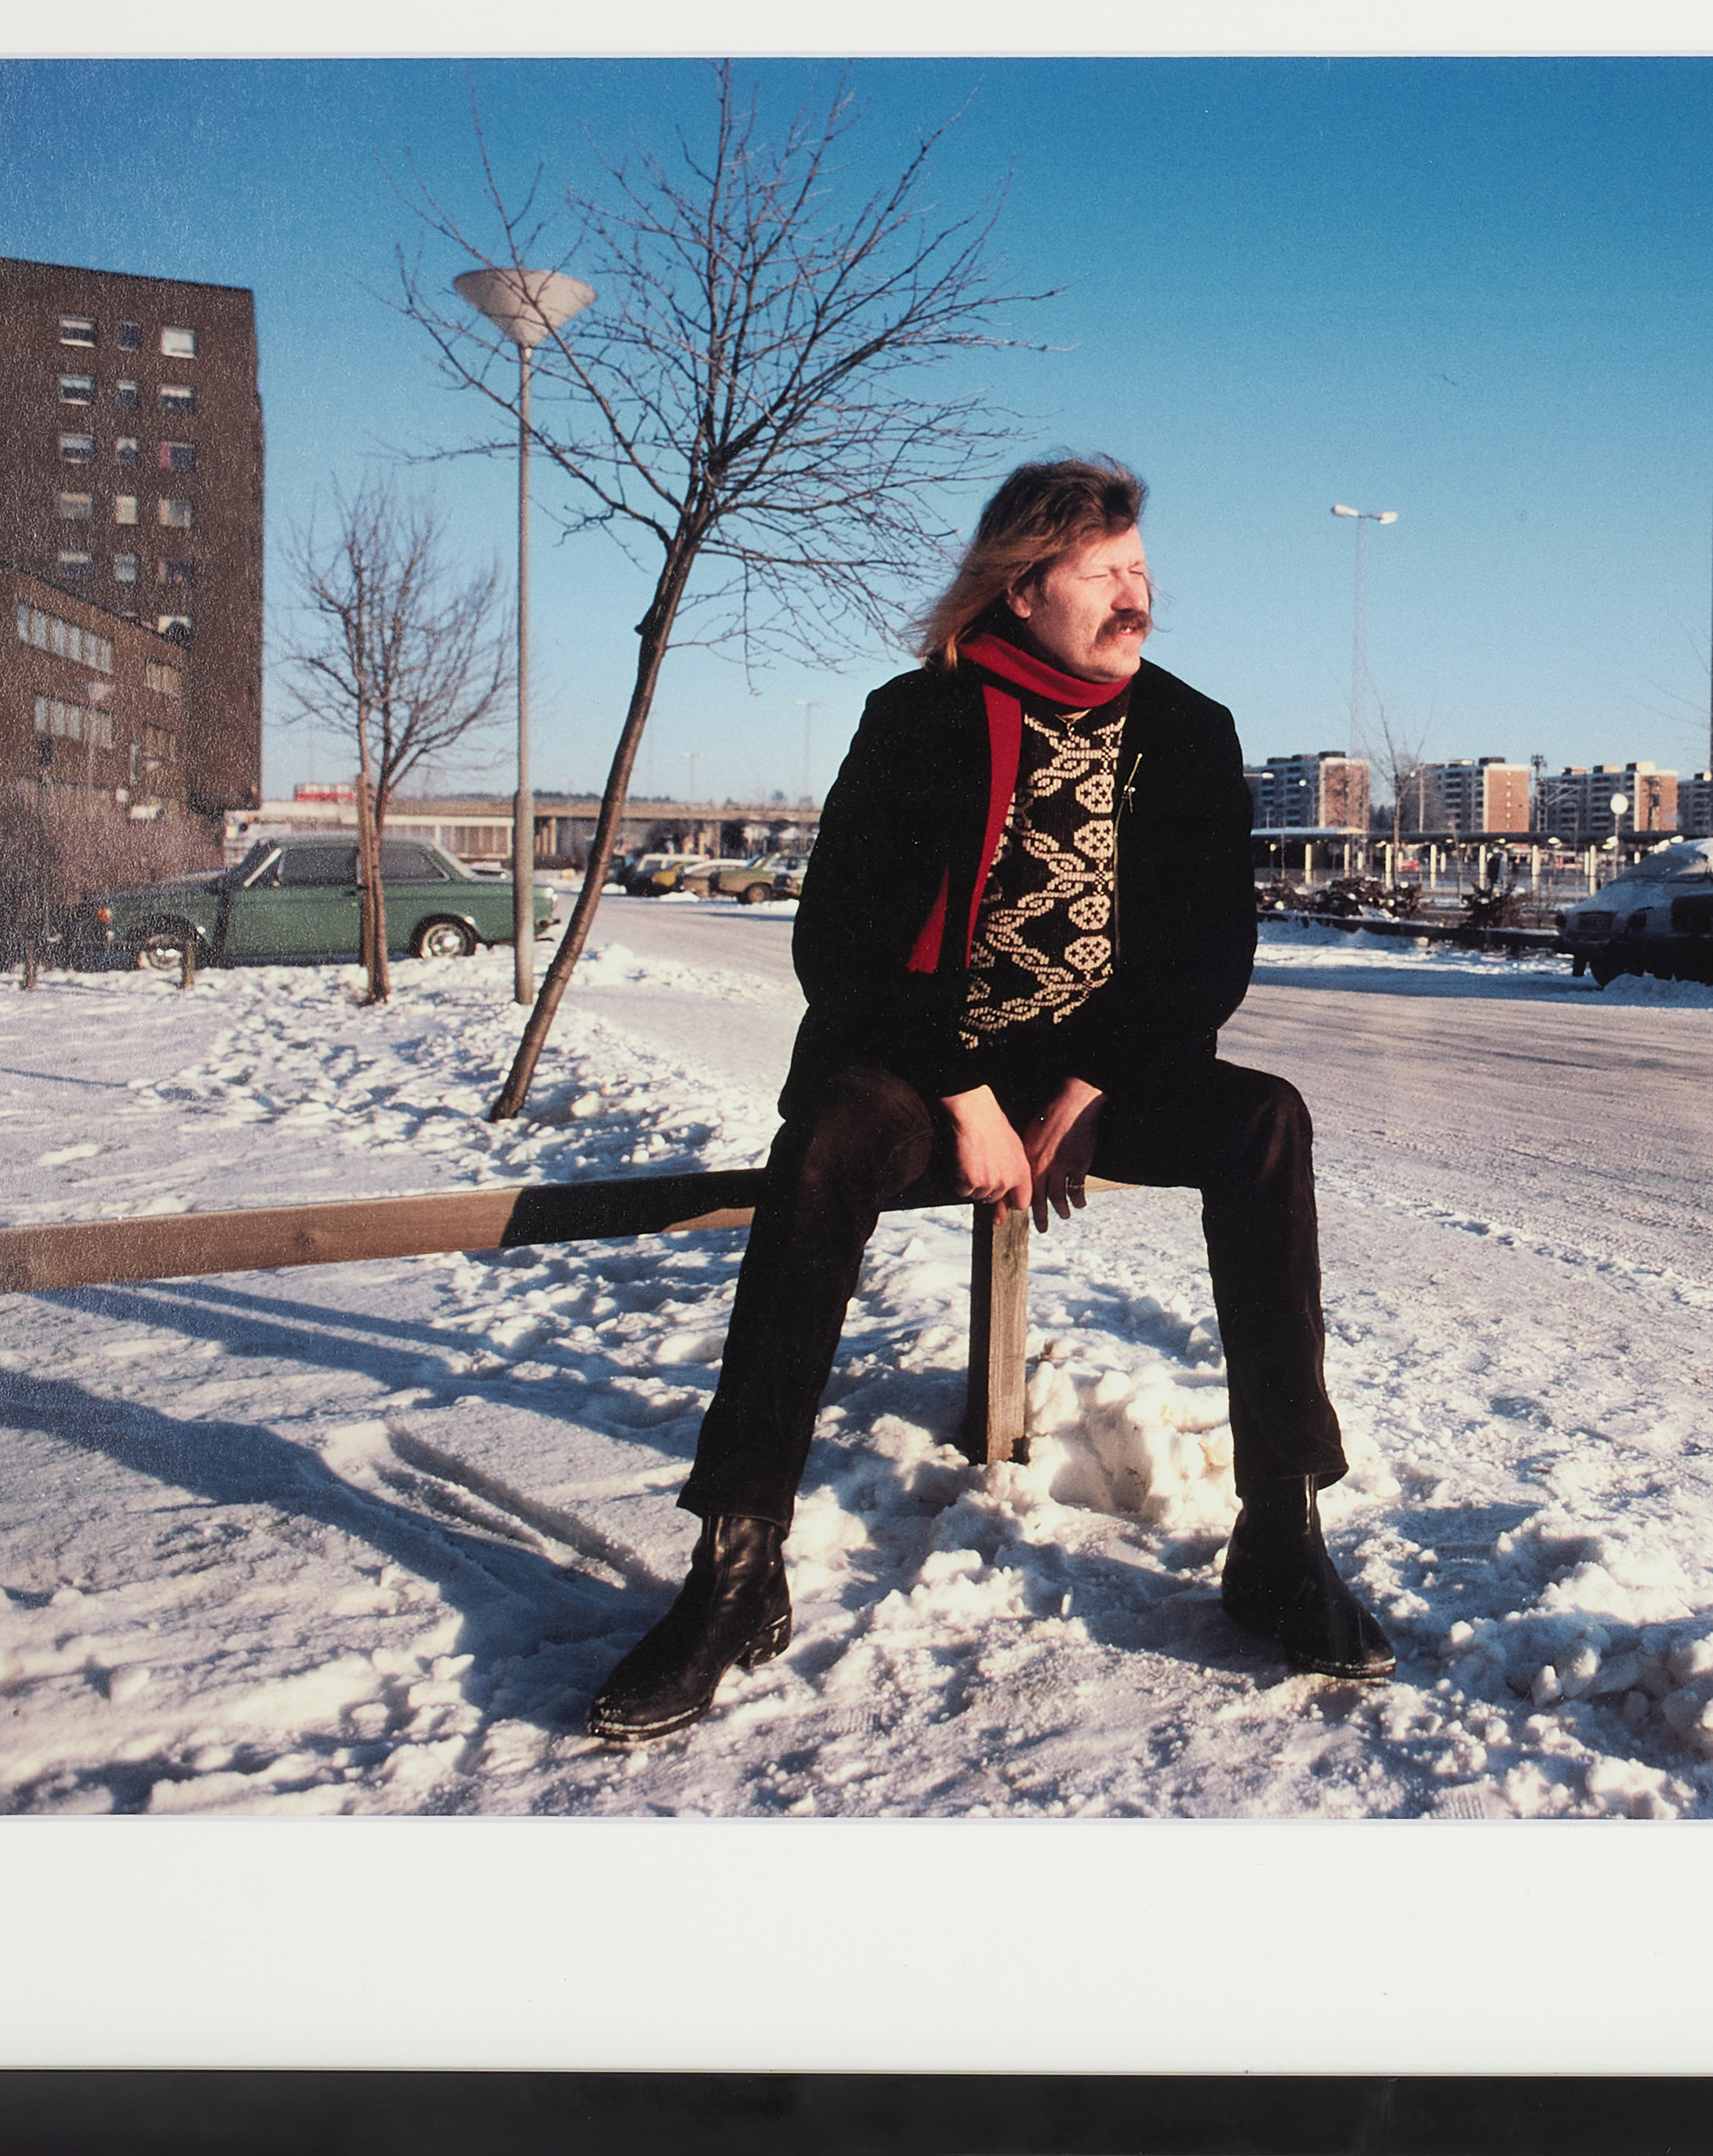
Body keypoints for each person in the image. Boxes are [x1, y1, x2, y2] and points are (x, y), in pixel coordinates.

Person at [588, 455, 1392, 1746]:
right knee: (830, 1143)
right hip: (925, 1063)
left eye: (1140, 569)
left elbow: (1206, 956)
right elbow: (841, 945)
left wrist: (1083, 1087)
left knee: (1266, 1119)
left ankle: (1281, 1529)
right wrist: (966, 1097)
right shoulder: (919, 718)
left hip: (1101, 1070)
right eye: (1104, 574)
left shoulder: (1191, 731)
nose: (1137, 595)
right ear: (1020, 590)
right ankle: (737, 1561)